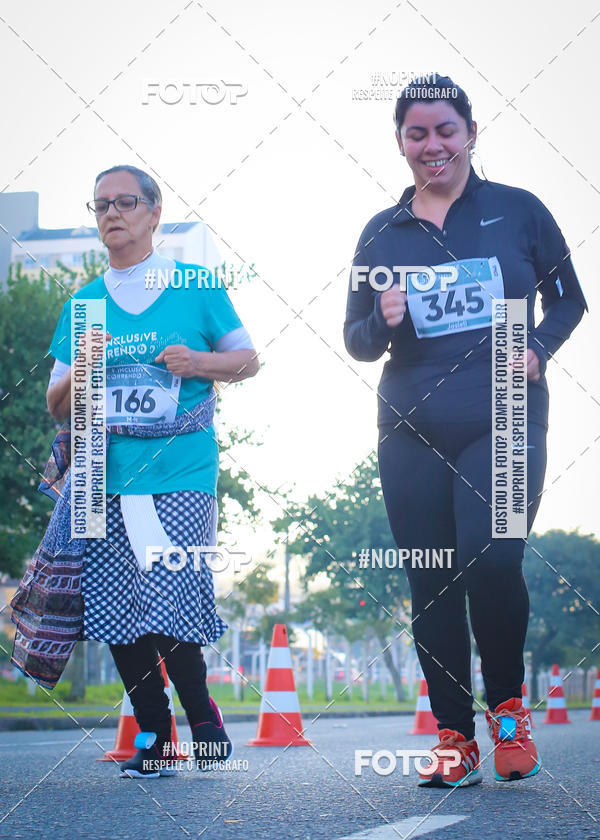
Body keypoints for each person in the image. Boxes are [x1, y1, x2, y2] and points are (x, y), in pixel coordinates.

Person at [344, 75, 587, 787]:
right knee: (432, 581)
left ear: (472, 133)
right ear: (400, 143)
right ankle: (455, 737)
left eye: (445, 130)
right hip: (409, 423)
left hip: (506, 413)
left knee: (492, 560)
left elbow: (570, 300)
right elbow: (356, 340)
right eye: (416, 134)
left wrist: (538, 348)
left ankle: (508, 715)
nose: (432, 145)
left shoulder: (518, 211)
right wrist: (380, 319)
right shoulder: (382, 232)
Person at [45, 164, 259, 777]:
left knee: (169, 594)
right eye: (100, 205)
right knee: (115, 605)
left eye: (125, 202)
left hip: (180, 470)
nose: (112, 213)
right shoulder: (83, 304)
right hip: (101, 475)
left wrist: (198, 361)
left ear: (154, 213)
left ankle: (202, 713)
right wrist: (79, 377)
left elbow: (247, 359)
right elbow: (57, 402)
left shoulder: (195, 285)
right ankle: (155, 733)